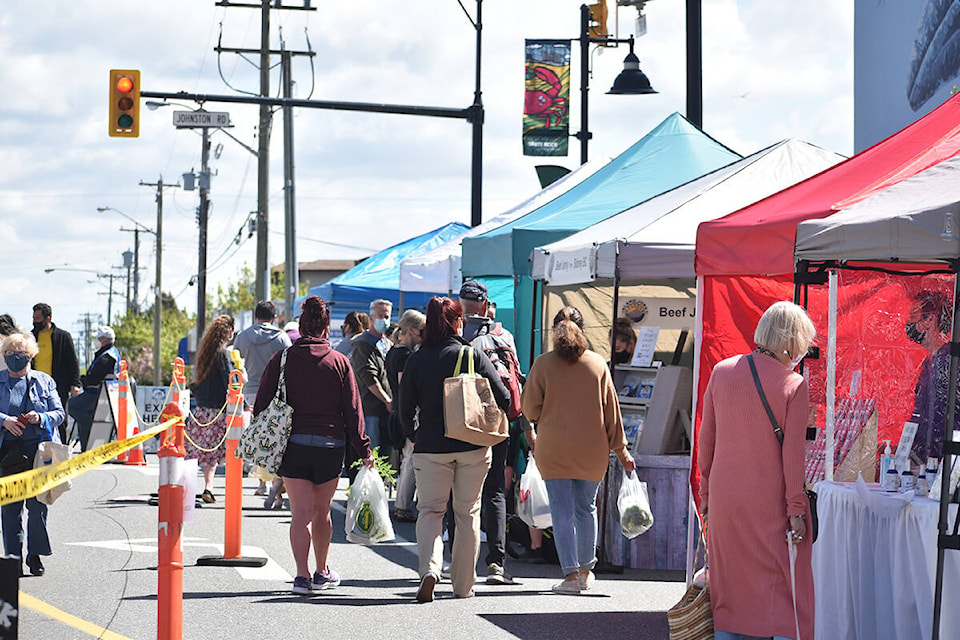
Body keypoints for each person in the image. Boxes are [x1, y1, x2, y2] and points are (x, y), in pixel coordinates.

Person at [698, 300, 816, 640]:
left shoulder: (721, 372)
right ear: (791, 342)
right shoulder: (794, 385)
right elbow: (793, 458)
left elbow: (706, 445)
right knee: (780, 592)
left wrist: (706, 497)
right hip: (768, 505)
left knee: (730, 594)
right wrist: (796, 510)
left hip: (724, 500)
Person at [254, 296, 374, 595]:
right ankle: (322, 571)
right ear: (325, 325)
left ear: (302, 322)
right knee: (322, 513)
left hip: (293, 445)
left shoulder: (282, 359)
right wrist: (364, 450)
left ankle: (301, 576)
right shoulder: (339, 362)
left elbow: (260, 407)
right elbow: (353, 411)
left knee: (300, 515)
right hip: (330, 446)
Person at [399, 296, 511, 602]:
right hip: (472, 444)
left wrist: (415, 436)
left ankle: (430, 570)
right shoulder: (470, 354)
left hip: (430, 447)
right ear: (457, 321)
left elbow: (404, 409)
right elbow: (505, 396)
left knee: (431, 511)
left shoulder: (416, 359)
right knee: (467, 513)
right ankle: (463, 586)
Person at [520, 306, 635, 595]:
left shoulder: (543, 364)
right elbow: (612, 412)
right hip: (592, 449)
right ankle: (585, 571)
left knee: (561, 511)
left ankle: (570, 575)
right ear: (582, 330)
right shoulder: (597, 364)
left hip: (554, 448)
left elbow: (529, 408)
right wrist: (622, 451)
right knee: (587, 508)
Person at [459, 279, 520, 586]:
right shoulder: (503, 336)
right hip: (499, 424)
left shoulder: (456, 336)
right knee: (495, 491)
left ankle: (457, 561)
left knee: (460, 493)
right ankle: (496, 562)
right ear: (485, 304)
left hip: (464, 424)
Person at [0, 330, 65, 577]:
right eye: (10, 353)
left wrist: (41, 417)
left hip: (40, 452)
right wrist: (5, 420)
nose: (16, 358)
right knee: (10, 508)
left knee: (38, 506)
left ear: (31, 356)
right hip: (9, 453)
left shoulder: (44, 381)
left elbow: (59, 413)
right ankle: (13, 557)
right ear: (4, 356)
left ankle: (35, 555)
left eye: (21, 354)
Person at [186, 315, 236, 504]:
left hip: (201, 410)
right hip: (217, 410)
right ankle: (209, 487)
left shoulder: (204, 353)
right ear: (228, 331)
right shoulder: (223, 354)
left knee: (196, 452)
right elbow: (230, 380)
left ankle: (191, 486)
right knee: (214, 455)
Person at [906, 290, 956, 466]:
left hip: (942, 458)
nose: (910, 322)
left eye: (914, 316)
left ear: (930, 320)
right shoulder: (929, 361)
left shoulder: (948, 359)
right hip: (924, 455)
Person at [385, 309, 425, 523]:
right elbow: (404, 384)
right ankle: (402, 506)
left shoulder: (393, 352)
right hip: (406, 412)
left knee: (405, 461)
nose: (422, 335)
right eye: (420, 330)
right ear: (411, 330)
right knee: (410, 460)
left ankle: (401, 504)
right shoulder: (405, 356)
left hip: (396, 411)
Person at [31, 303, 80, 444]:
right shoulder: (31, 336)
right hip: (34, 385)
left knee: (59, 418)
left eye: (38, 318)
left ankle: (61, 448)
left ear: (47, 318)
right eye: (33, 318)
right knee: (35, 417)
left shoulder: (63, 337)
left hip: (57, 385)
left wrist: (75, 383)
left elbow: (72, 361)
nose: (35, 321)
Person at [67, 325, 120, 451]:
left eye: (99, 338)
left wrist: (83, 379)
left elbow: (93, 379)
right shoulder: (110, 353)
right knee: (81, 411)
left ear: (105, 340)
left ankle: (89, 435)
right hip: (104, 394)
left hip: (98, 394)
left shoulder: (107, 357)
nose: (96, 341)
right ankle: (86, 443)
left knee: (72, 406)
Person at [351, 299, 393, 452]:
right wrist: (387, 399)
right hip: (370, 409)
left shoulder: (388, 344)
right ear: (371, 318)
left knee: (386, 456)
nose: (384, 320)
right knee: (372, 454)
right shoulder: (362, 344)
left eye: (387, 316)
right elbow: (368, 376)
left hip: (386, 410)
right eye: (380, 316)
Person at [233, 300, 292, 408]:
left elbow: (234, 367)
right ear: (274, 318)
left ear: (255, 316)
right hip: (273, 394)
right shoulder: (282, 338)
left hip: (247, 394)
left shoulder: (242, 337)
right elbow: (290, 367)